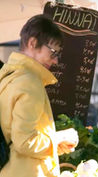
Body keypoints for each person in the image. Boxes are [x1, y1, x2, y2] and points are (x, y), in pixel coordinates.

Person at [0, 15, 79, 177]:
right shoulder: (30, 82)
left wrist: (53, 146)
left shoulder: (8, 75)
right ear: (32, 43)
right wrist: (59, 138)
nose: (56, 61)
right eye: (52, 53)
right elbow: (25, 142)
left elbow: (13, 135)